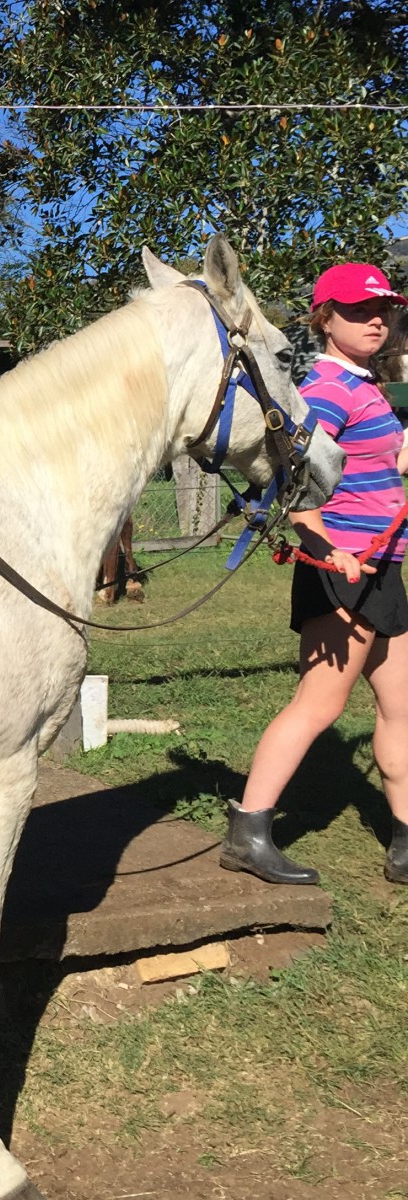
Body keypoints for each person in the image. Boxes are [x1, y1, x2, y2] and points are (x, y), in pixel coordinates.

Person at [221, 261, 408, 887]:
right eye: (358, 310)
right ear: (324, 318)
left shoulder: (364, 383)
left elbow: (371, 463)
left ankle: (405, 842)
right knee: (318, 706)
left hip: (381, 567)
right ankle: (247, 833)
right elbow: (297, 482)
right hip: (343, 568)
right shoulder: (327, 387)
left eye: (382, 309)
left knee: (402, 708)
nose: (376, 320)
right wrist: (328, 550)